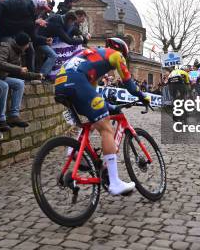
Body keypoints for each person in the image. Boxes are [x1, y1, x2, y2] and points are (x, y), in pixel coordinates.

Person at [54, 37, 151, 195]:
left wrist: (109, 107)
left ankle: (75, 150)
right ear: (122, 51)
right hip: (77, 82)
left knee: (95, 118)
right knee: (106, 127)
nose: (123, 60)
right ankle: (114, 182)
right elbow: (129, 84)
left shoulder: (90, 56)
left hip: (60, 84)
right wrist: (142, 96)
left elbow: (93, 96)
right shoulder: (115, 55)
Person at [0, 32, 43, 129]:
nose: (28, 47)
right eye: (28, 44)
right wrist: (18, 69)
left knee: (19, 83)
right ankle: (1, 119)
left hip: (2, 76)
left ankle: (14, 115)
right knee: (4, 86)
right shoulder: (5, 47)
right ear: (24, 44)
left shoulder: (17, 51)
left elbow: (20, 72)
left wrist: (37, 76)